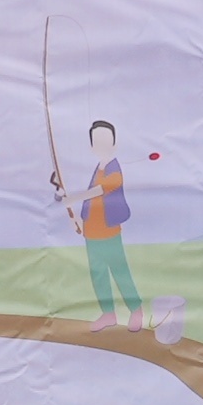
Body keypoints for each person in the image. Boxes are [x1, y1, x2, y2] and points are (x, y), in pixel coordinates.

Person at [66, 119, 140, 329]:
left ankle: (136, 310)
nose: (101, 145)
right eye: (97, 141)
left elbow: (101, 190)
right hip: (91, 233)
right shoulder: (97, 168)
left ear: (114, 144)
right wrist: (79, 220)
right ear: (92, 146)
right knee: (98, 275)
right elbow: (90, 203)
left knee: (120, 271)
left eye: (106, 141)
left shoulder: (114, 169)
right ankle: (108, 314)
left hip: (109, 233)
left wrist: (73, 197)